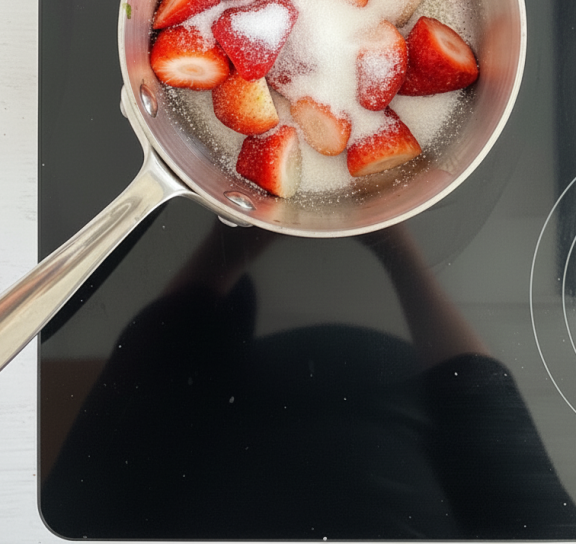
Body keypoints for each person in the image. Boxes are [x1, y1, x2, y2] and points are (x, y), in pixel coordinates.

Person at [41, 217, 576, 540]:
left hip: (211, 398)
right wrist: (396, 248)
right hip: (407, 401)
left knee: (86, 494)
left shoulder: (84, 516)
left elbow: (126, 414)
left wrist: (231, 244)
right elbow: (484, 422)